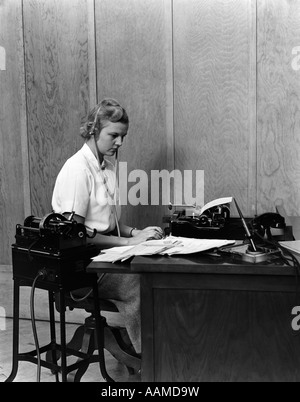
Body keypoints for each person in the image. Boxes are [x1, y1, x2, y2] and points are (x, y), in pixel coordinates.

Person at [51, 98, 164, 357]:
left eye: (123, 136)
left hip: (105, 257)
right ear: (93, 130)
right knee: (138, 282)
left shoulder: (106, 167)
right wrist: (127, 244)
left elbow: (108, 222)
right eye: (114, 135)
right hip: (81, 267)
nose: (120, 143)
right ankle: (153, 360)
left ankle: (164, 348)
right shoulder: (77, 170)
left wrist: (135, 233)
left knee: (156, 266)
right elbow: (75, 237)